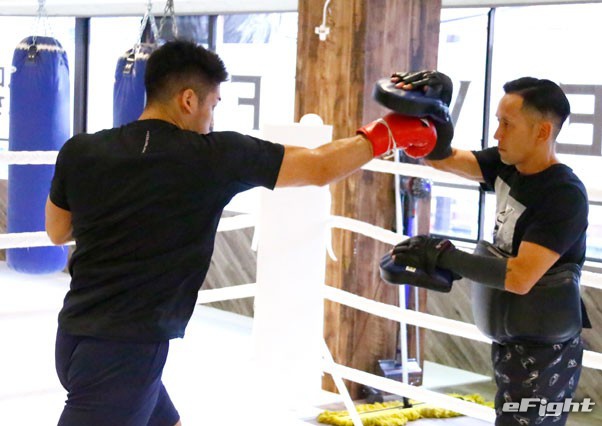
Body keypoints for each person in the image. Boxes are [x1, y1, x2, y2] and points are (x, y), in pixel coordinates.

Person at [44, 40, 450, 426]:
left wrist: (120, 211)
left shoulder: (80, 150)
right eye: (212, 106)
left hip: (75, 336)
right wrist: (388, 132)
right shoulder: (213, 158)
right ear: (188, 100)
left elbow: (57, 232)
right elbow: (318, 166)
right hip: (125, 353)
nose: (211, 120)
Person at [386, 71, 590, 425]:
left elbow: (521, 277)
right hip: (513, 333)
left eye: (507, 124)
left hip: (547, 348)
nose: (497, 134)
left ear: (542, 132)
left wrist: (445, 256)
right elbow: (442, 159)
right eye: (498, 122)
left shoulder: (563, 194)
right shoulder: (507, 164)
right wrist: (433, 116)